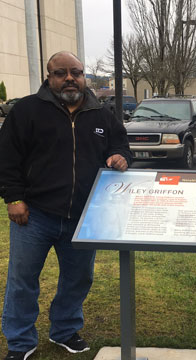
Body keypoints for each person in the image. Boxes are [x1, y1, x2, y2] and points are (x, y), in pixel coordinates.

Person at [0, 51, 132, 360]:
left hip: (84, 217)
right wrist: (13, 198)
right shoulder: (27, 111)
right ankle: (20, 343)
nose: (70, 77)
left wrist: (121, 156)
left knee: (78, 279)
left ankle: (64, 330)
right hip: (34, 215)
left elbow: (120, 143)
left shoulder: (101, 113)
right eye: (61, 72)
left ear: (85, 76)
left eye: (76, 71)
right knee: (22, 280)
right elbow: (7, 158)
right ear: (49, 77)